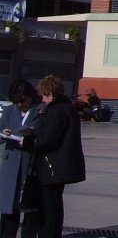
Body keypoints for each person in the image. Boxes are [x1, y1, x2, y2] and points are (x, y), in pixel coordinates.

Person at [26, 75, 86, 238]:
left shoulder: (56, 110)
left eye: (44, 95)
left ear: (51, 94)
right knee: (55, 203)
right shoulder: (67, 108)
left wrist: (27, 141)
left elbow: (49, 138)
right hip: (61, 166)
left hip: (53, 165)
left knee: (49, 206)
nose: (43, 99)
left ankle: (48, 234)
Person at [0, 80, 43, 238]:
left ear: (30, 96)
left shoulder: (39, 110)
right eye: (16, 101)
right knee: (8, 203)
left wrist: (30, 137)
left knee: (30, 204)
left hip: (29, 161)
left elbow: (44, 134)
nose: (20, 104)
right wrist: (4, 133)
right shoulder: (9, 110)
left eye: (23, 100)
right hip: (11, 161)